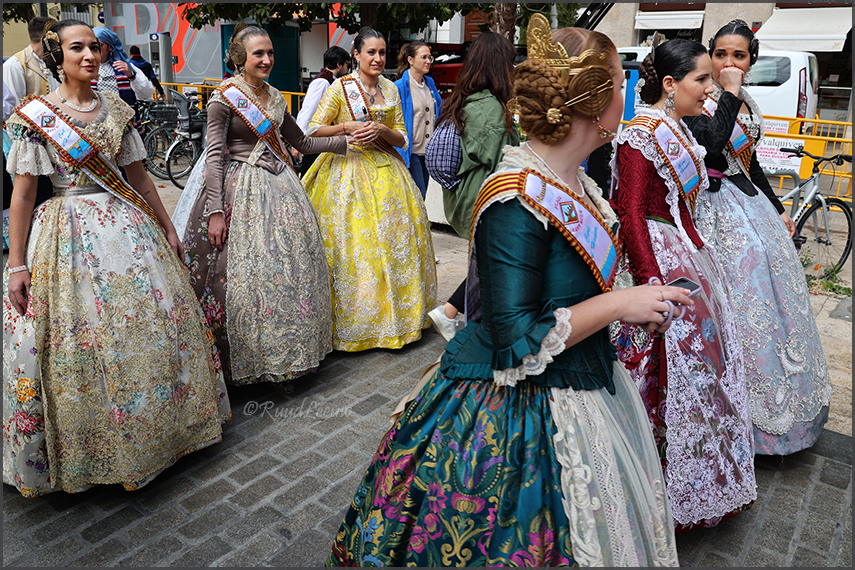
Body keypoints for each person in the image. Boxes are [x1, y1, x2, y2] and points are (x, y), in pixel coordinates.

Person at [327, 18, 684, 567]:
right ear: (592, 101)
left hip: (585, 378)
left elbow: (572, 286)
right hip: (518, 413)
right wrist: (618, 305)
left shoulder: (578, 186)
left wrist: (634, 299)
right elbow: (515, 337)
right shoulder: (516, 199)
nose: (627, 93)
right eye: (618, 82)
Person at [3, 20, 230, 498]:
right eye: (76, 47)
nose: (88, 55)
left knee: (144, 328)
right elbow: (22, 197)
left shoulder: (117, 110)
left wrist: (167, 226)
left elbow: (142, 179)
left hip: (130, 229)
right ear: (56, 55)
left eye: (94, 47)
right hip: (64, 232)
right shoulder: (36, 115)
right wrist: (17, 262)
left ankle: (160, 433)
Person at [611, 38, 756, 531]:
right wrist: (650, 278)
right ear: (671, 85)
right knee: (662, 371)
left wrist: (701, 261)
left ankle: (698, 477)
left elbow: (686, 209)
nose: (709, 87)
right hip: (654, 258)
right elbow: (629, 212)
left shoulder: (678, 130)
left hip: (683, 256)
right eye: (702, 79)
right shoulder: (640, 135)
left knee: (703, 367)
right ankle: (655, 481)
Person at [172, 24, 348, 389]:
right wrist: (216, 211)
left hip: (280, 189)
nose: (267, 59)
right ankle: (244, 359)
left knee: (284, 274)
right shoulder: (223, 99)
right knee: (242, 277)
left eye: (270, 53)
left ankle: (288, 356)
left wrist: (344, 142)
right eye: (258, 54)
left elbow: (300, 141)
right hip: (239, 190)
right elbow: (215, 158)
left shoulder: (274, 96)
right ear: (240, 58)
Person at [685, 19, 832, 455]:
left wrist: (778, 208)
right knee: (736, 307)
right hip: (715, 212)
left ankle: (784, 414)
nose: (729, 62)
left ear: (751, 59)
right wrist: (726, 91)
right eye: (721, 54)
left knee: (775, 305)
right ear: (710, 55)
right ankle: (733, 421)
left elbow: (749, 165)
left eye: (739, 55)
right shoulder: (701, 95)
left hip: (750, 208)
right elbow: (712, 150)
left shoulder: (744, 98)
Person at [302, 27, 437, 352]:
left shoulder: (391, 88)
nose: (377, 58)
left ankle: (395, 319)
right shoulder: (340, 88)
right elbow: (312, 129)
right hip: (345, 174)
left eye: (382, 53)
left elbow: (402, 136)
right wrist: (347, 127)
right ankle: (354, 323)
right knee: (354, 248)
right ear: (357, 55)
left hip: (388, 174)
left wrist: (382, 130)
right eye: (371, 52)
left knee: (391, 245)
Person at [426, 32, 519, 341]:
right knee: (494, 263)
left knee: (487, 261)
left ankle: (455, 314)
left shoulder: (467, 98)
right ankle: (459, 317)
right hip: (484, 196)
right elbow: (499, 158)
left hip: (465, 196)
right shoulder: (491, 106)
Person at [3, 17, 61, 213]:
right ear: (45, 38)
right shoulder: (15, 65)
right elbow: (13, 115)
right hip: (32, 146)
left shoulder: (55, 64)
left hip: (59, 142)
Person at [394, 41, 443, 199]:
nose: (428, 61)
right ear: (410, 60)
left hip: (428, 152)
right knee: (417, 196)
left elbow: (440, 111)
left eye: (430, 57)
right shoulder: (399, 87)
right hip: (410, 151)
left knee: (422, 196)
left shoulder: (430, 84)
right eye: (424, 57)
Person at [294, 46, 351, 177]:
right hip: (317, 141)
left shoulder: (330, 81)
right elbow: (308, 111)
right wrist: (299, 140)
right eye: (347, 64)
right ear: (338, 64)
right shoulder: (322, 82)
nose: (348, 69)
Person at [91, 27, 155, 133]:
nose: (94, 49)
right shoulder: (84, 69)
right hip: (97, 128)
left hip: (124, 128)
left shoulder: (126, 67)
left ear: (110, 47)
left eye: (99, 45)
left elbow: (147, 93)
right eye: (91, 46)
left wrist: (131, 76)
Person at [2, 16, 60, 106]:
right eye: (55, 39)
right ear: (44, 40)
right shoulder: (14, 66)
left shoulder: (58, 62)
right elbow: (13, 108)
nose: (59, 43)